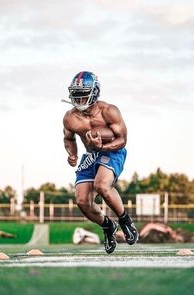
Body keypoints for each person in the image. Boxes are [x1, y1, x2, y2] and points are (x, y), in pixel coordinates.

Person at [63, 71, 138, 254]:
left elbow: (122, 140)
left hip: (113, 151)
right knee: (82, 201)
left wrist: (102, 147)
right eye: (76, 94)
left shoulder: (109, 111)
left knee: (102, 185)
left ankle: (124, 220)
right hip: (90, 154)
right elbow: (69, 138)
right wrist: (72, 153)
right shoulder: (70, 118)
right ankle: (107, 226)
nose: (79, 98)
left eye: (83, 94)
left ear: (94, 92)